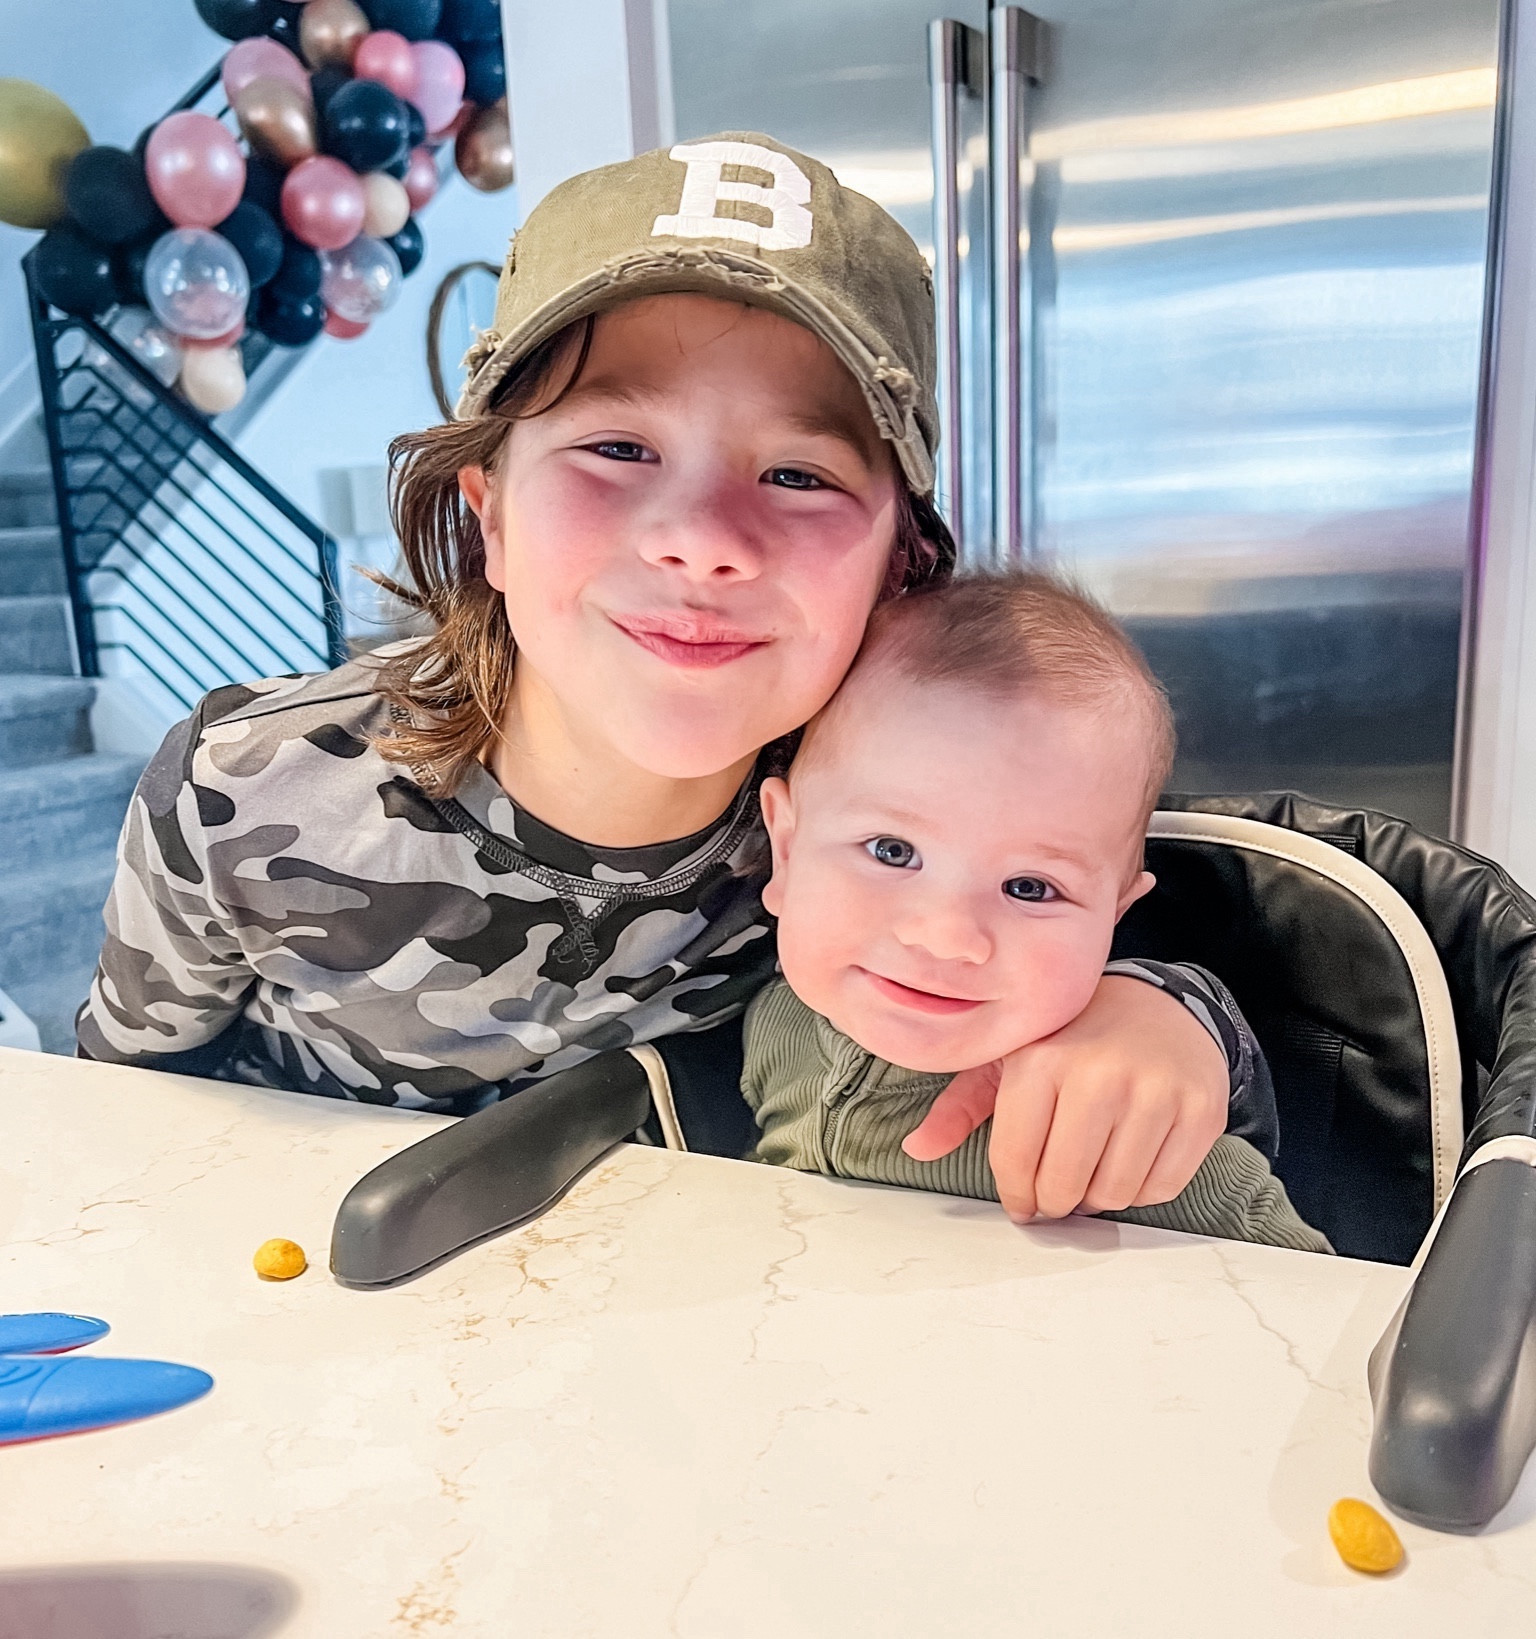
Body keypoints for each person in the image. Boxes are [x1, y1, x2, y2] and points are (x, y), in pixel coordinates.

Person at [81, 132, 1249, 1223]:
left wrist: (1164, 1015)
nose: (703, 540)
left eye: (798, 474)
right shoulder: (243, 786)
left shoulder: (884, 809)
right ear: (489, 517)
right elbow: (118, 1121)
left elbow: (1143, 904)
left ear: (898, 568)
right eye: (618, 448)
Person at [744, 571, 1329, 1252]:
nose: (947, 937)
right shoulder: (769, 1022)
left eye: (1029, 887)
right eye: (892, 849)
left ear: (1113, 915)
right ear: (787, 850)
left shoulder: (1129, 1142)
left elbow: (1312, 1330)